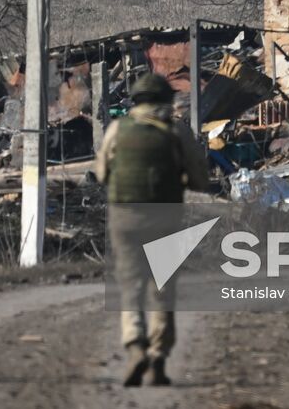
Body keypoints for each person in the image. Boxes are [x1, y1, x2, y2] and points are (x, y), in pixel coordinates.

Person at [95, 72, 210, 387]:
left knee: (130, 286)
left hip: (125, 218)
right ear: (167, 102)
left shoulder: (118, 129)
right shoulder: (177, 133)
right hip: (165, 218)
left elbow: (102, 172)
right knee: (162, 289)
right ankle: (158, 356)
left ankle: (135, 346)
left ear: (135, 102)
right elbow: (200, 179)